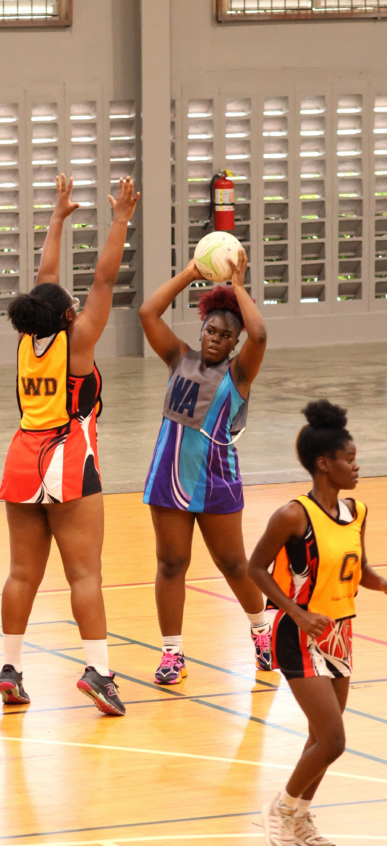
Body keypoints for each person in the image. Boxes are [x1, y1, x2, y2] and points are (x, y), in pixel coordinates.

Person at [0, 173, 140, 715]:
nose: (82, 306)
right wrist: (121, 219)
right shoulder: (77, 343)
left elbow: (45, 280)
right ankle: (99, 674)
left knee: (21, 574)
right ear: (67, 317)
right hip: (67, 456)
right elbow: (103, 282)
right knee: (85, 574)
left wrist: (57, 218)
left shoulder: (27, 338)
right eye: (73, 305)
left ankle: (11, 669)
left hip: (22, 455)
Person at [249, 401, 387, 846]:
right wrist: (297, 612)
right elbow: (255, 568)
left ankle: (302, 814)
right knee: (334, 740)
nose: (357, 465)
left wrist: (384, 584)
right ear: (324, 464)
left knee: (321, 739)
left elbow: (362, 572)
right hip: (299, 633)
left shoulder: (358, 511)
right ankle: (282, 808)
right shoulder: (293, 515)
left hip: (340, 631)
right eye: (349, 458)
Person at [139, 251, 270, 685]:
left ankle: (261, 630)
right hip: (168, 477)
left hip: (216, 480)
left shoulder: (240, 373)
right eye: (210, 330)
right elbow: (148, 311)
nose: (215, 338)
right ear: (201, 331)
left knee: (234, 565)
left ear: (235, 342)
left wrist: (237, 287)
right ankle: (172, 654)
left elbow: (261, 333)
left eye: (225, 334)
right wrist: (192, 272)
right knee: (171, 563)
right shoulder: (179, 357)